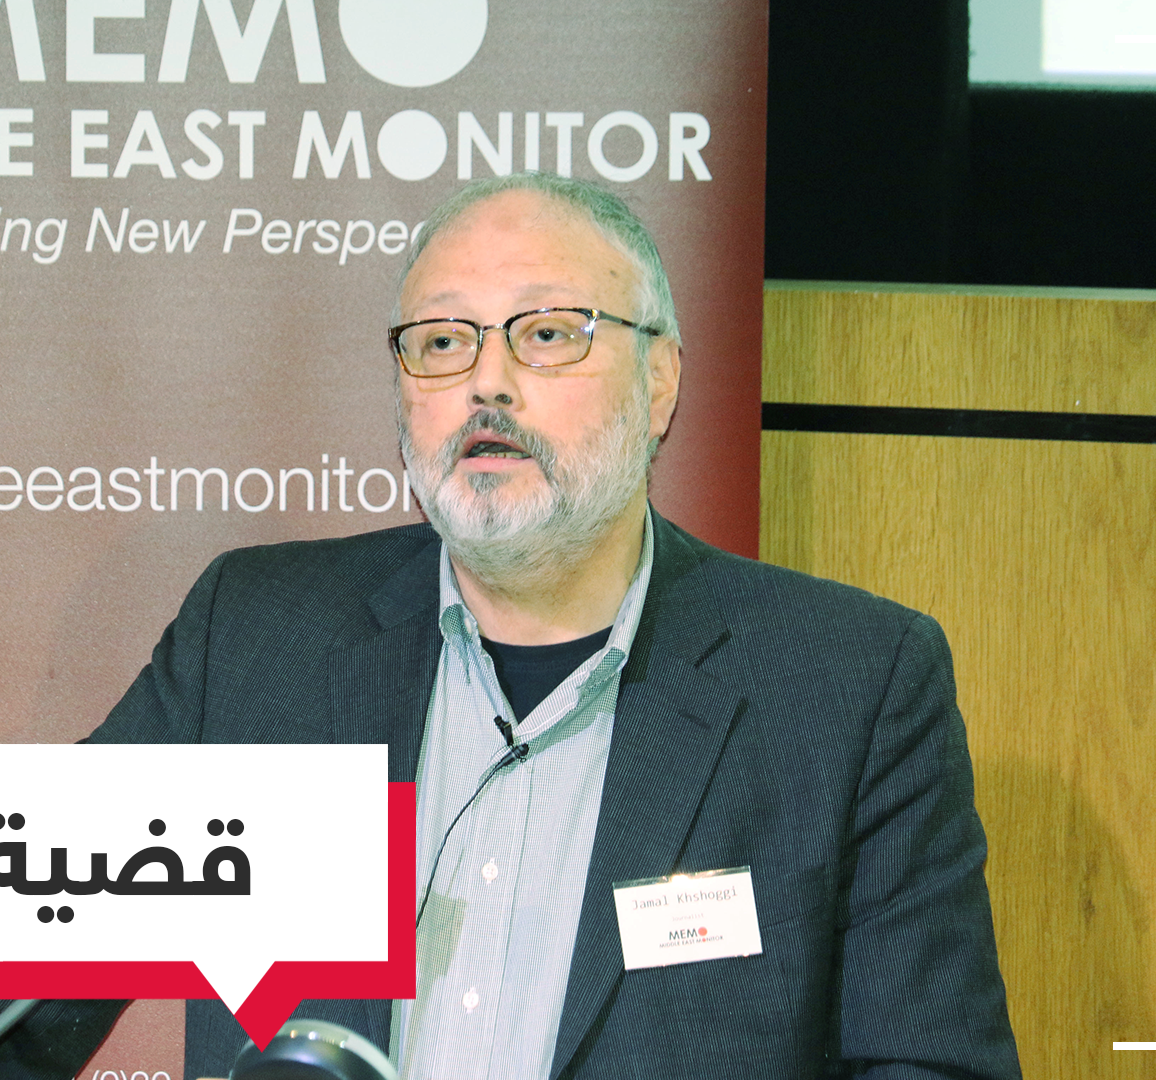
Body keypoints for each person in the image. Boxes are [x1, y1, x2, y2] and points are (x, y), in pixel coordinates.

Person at [88, 172, 1021, 1079]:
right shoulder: (256, 639)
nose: (487, 383)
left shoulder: (845, 688)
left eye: (546, 334)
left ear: (659, 382)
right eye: (443, 341)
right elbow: (14, 971)